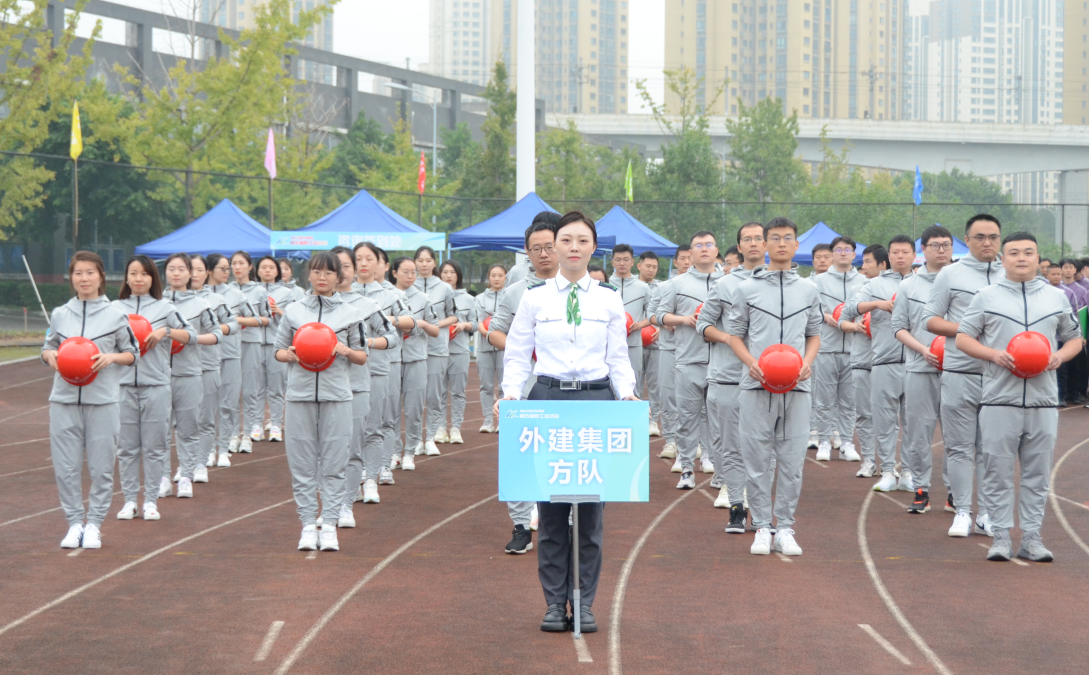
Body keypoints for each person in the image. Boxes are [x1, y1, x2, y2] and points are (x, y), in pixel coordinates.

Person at [498, 210, 637, 634]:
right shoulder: (535, 298)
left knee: (591, 513)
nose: (574, 248)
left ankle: (585, 601)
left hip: (596, 402)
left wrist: (628, 394)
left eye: (582, 241)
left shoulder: (609, 298)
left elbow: (618, 357)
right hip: (549, 401)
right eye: (566, 240)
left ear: (594, 248)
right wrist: (509, 396)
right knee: (553, 513)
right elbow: (519, 353)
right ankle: (555, 603)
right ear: (553, 247)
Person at [956, 232, 1083, 562]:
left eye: (1028, 252)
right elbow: (962, 338)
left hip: (1043, 400)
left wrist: (1060, 356)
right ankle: (999, 534)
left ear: (1038, 257)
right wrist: (993, 354)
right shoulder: (986, 296)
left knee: (1037, 473)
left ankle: (1031, 536)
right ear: (1003, 257)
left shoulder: (1056, 298)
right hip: (999, 399)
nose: (1022, 258)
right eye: (1014, 253)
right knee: (996, 470)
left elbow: (1074, 340)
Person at [727, 217, 822, 556]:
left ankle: (785, 527)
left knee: (792, 461)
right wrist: (750, 363)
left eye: (788, 238)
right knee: (756, 460)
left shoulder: (809, 289)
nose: (782, 243)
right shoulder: (746, 289)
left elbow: (814, 333)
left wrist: (807, 361)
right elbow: (735, 335)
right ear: (764, 245)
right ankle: (762, 527)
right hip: (756, 385)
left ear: (797, 246)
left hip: (797, 387)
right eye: (775, 238)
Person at [43, 251, 139, 549]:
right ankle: (74, 523)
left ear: (101, 277)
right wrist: (51, 357)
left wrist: (111, 357)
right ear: (70, 278)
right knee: (66, 466)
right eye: (78, 273)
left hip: (103, 402)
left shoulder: (115, 315)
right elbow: (47, 348)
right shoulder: (60, 314)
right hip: (64, 400)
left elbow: (132, 353)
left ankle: (95, 524)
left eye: (90, 273)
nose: (84, 278)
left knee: (100, 467)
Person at [275, 251, 369, 552]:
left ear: (337, 277)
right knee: (301, 463)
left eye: (328, 272)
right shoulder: (293, 311)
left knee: (334, 462)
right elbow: (278, 351)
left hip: (337, 396)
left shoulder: (350, 313)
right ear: (309, 275)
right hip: (299, 395)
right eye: (316, 271)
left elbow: (362, 356)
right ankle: (306, 524)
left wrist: (344, 350)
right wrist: (288, 354)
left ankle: (329, 524)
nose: (322, 277)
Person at [924, 213, 1004, 538]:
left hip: (1001, 375)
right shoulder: (950, 274)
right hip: (959, 371)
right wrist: (969, 330)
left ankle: (986, 513)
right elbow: (931, 320)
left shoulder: (1011, 276)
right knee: (958, 447)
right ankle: (962, 512)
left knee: (991, 448)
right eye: (980, 236)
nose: (987, 243)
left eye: (993, 237)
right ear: (966, 240)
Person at [488, 212, 562, 554]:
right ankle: (520, 525)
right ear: (527, 252)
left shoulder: (580, 289)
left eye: (550, 246)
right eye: (537, 248)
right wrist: (525, 349)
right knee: (520, 454)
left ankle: (565, 520)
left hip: (564, 386)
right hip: (523, 383)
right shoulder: (515, 292)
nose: (544, 254)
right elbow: (495, 332)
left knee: (561, 451)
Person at [111, 256, 193, 523]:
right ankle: (129, 501)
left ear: (152, 279)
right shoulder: (113, 309)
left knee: (155, 446)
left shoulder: (165, 307)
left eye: (144, 274)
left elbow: (190, 334)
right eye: (133, 273)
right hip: (122, 387)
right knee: (126, 448)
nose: (138, 279)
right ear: (126, 278)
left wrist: (166, 331)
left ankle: (150, 502)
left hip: (157, 385)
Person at [698, 222, 766, 531]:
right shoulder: (724, 284)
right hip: (727, 377)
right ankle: (736, 505)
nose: (753, 243)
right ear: (738, 247)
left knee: (764, 446)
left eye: (758, 239)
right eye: (746, 239)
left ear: (766, 244)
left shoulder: (780, 285)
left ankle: (761, 508)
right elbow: (704, 325)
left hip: (768, 379)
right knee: (729, 446)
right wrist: (728, 339)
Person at [843, 235, 914, 491]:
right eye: (895, 252)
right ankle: (887, 470)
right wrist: (877, 304)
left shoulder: (923, 284)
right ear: (888, 258)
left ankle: (907, 471)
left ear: (914, 256)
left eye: (905, 252)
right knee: (884, 420)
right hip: (884, 361)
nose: (900, 257)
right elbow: (850, 309)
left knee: (913, 422)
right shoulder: (874, 284)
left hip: (917, 363)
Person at [331, 246, 394, 527]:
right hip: (322, 388)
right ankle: (330, 504)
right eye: (336, 266)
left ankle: (346, 504)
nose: (342, 271)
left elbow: (392, 337)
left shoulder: (366, 306)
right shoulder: (308, 305)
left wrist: (365, 343)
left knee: (356, 443)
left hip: (356, 384)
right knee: (328, 451)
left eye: (347, 265)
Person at [893, 225, 954, 514]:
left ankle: (956, 492)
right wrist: (922, 349)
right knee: (918, 432)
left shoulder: (963, 282)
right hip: (920, 368)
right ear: (923, 250)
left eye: (946, 245)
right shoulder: (909, 286)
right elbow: (899, 328)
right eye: (935, 245)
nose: (941, 250)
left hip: (959, 369)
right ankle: (921, 489)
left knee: (959, 435)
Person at [657, 231, 723, 487]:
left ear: (716, 250)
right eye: (698, 245)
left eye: (709, 245)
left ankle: (714, 463)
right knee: (688, 417)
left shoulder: (728, 283)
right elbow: (661, 316)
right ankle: (686, 468)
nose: (704, 249)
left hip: (720, 362)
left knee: (718, 420)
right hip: (687, 360)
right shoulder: (677, 284)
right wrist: (684, 319)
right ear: (690, 254)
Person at [353, 242, 413, 503]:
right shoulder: (343, 294)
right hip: (350, 369)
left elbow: (410, 323)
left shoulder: (390, 295)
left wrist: (389, 320)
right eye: (358, 258)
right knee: (352, 428)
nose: (364, 263)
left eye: (370, 258)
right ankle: (353, 479)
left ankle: (374, 474)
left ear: (380, 264)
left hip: (380, 366)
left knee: (379, 422)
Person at [162, 253, 222, 498]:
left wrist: (192, 338)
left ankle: (185, 475)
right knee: (160, 429)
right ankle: (163, 476)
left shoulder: (201, 304)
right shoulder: (156, 303)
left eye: (181, 269)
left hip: (189, 373)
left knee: (188, 427)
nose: (176, 273)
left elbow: (217, 333)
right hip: (157, 376)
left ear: (190, 274)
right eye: (171, 269)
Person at [813, 236, 864, 460]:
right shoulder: (818, 281)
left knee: (849, 400)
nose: (843, 253)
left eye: (848, 250)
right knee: (824, 399)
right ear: (832, 254)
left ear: (854, 254)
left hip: (855, 349)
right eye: (839, 250)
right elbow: (809, 310)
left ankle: (846, 442)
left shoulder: (864, 282)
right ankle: (824, 440)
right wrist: (825, 316)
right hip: (826, 347)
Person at [208, 253, 259, 465]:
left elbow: (257, 319)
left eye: (228, 268)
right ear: (209, 271)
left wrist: (234, 321)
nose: (227, 271)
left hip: (230, 354)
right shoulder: (197, 296)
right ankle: (208, 448)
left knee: (228, 403)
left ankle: (224, 446)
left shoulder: (235, 295)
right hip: (204, 357)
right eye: (223, 268)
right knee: (207, 405)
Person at [392, 257, 440, 471]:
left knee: (413, 409)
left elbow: (436, 330)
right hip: (391, 359)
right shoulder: (387, 297)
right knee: (390, 409)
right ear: (394, 273)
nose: (411, 276)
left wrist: (419, 323)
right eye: (405, 271)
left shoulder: (424, 299)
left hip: (416, 359)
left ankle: (410, 451)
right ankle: (393, 452)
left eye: (413, 272)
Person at [190, 255, 237, 471]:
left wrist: (216, 331)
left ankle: (216, 450)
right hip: (181, 366)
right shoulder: (168, 301)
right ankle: (192, 458)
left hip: (210, 361)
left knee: (214, 409)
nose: (193, 274)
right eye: (189, 269)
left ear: (206, 272)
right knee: (187, 416)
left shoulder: (215, 301)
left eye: (199, 270)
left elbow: (232, 324)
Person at [840, 245, 882, 477]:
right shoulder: (858, 289)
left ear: (882, 265)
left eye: (868, 262)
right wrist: (855, 326)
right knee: (864, 413)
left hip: (889, 362)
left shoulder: (899, 289)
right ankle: (868, 459)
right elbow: (842, 320)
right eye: (862, 261)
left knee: (889, 418)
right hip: (861, 360)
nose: (862, 267)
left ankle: (892, 464)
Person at [648, 245, 692, 461]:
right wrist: (664, 323)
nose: (686, 262)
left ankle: (698, 443)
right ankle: (671, 441)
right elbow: (651, 315)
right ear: (675, 262)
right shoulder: (665, 286)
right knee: (668, 395)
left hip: (696, 349)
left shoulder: (709, 286)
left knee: (695, 399)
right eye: (682, 258)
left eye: (689, 258)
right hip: (668, 347)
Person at [414, 247, 458, 450]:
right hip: (411, 348)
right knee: (413, 396)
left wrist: (435, 325)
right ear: (415, 262)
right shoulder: (408, 288)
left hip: (437, 347)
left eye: (428, 260)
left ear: (434, 263)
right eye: (420, 260)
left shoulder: (445, 288)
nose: (424, 264)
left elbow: (453, 316)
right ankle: (414, 440)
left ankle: (430, 437)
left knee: (434, 393)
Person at [231, 252, 273, 452]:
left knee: (249, 390)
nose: (237, 267)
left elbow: (266, 319)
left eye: (241, 263)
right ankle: (231, 434)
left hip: (251, 343)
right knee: (229, 391)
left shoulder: (259, 291)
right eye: (233, 263)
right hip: (228, 345)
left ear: (250, 267)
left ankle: (247, 433)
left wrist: (241, 320)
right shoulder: (226, 291)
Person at [257, 256, 298, 443]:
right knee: (256, 388)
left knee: (276, 387)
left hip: (276, 345)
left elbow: (295, 320)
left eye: (271, 267)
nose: (267, 271)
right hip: (254, 344)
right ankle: (256, 424)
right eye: (263, 267)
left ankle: (276, 424)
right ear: (257, 270)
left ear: (277, 272)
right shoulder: (253, 291)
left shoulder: (286, 293)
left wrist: (280, 311)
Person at [436, 260, 476, 444]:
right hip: (438, 351)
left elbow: (476, 323)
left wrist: (465, 324)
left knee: (458, 392)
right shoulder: (434, 297)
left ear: (458, 275)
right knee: (439, 392)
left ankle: (456, 428)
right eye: (445, 272)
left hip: (459, 351)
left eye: (452, 272)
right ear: (440, 274)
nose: (449, 275)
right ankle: (440, 427)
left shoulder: (468, 299)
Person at [608, 244, 651, 413]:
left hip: (633, 344)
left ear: (633, 262)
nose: (622, 263)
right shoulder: (605, 285)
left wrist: (640, 324)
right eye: (618, 260)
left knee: (634, 385)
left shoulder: (642, 287)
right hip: (609, 345)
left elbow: (653, 315)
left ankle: (634, 428)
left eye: (626, 260)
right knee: (610, 386)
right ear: (612, 262)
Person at [806, 242, 833, 448]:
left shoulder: (836, 282)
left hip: (835, 344)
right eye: (818, 257)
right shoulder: (807, 284)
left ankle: (833, 430)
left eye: (826, 256)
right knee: (813, 389)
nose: (822, 260)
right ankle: (813, 430)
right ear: (813, 261)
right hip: (812, 344)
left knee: (835, 392)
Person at [475, 263, 507, 433]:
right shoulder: (479, 298)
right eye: (493, 275)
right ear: (489, 277)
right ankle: (488, 420)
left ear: (505, 277)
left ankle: (503, 420)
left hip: (504, 347)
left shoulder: (510, 296)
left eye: (500, 275)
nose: (496, 278)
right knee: (486, 386)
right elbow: (479, 322)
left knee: (504, 386)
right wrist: (488, 335)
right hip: (484, 347)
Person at [636, 251, 662, 435]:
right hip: (635, 342)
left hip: (656, 343)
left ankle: (653, 422)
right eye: (648, 266)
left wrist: (661, 327)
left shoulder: (662, 288)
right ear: (639, 266)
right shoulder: (632, 287)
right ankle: (637, 419)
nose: (651, 270)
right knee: (634, 383)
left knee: (655, 385)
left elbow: (666, 312)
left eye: (654, 267)